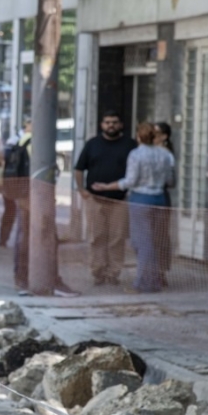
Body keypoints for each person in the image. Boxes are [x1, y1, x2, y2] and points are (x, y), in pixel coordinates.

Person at [93, 122, 175, 293]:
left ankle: (142, 283)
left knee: (141, 242)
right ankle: (154, 279)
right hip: (159, 197)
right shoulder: (165, 155)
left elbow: (129, 181)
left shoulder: (136, 154)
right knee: (155, 241)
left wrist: (107, 186)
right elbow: (171, 181)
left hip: (140, 198)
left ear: (139, 136)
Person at [5, 120, 80, 297]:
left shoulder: (20, 141)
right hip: (33, 196)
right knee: (45, 236)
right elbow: (41, 171)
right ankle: (49, 279)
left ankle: (23, 279)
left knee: (25, 236)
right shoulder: (34, 143)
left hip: (23, 194)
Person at [74, 110, 139, 286]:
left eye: (114, 122)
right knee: (96, 237)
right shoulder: (92, 144)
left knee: (117, 238)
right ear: (102, 125)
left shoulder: (130, 145)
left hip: (120, 200)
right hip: (95, 200)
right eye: (107, 122)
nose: (111, 125)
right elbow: (79, 169)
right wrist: (81, 190)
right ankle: (98, 272)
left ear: (121, 125)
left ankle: (113, 273)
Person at [153, 122, 175, 287]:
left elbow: (171, 180)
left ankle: (160, 271)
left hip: (160, 195)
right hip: (147, 196)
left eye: (156, 133)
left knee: (160, 236)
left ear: (164, 137)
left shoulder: (165, 154)